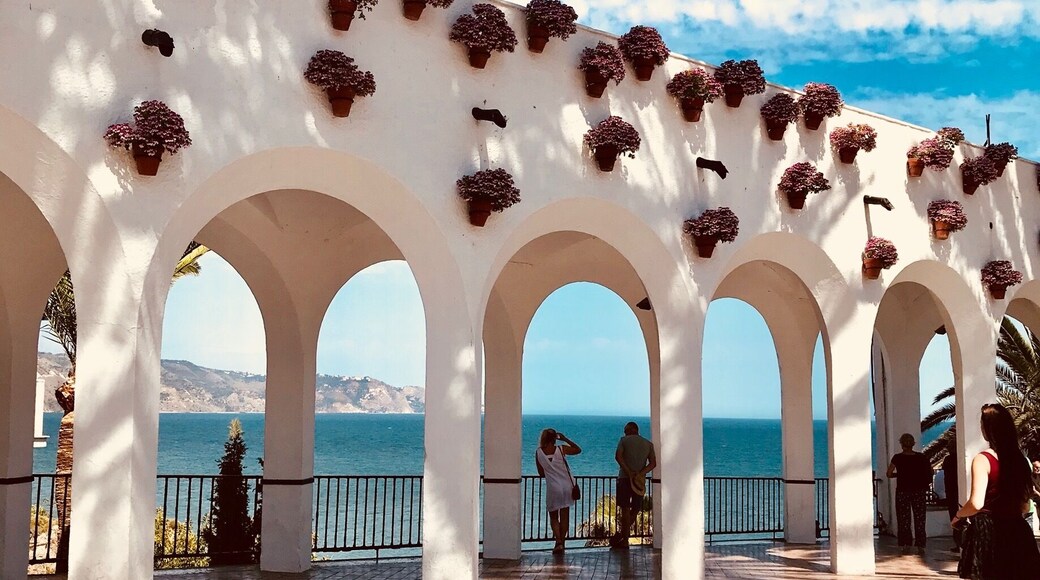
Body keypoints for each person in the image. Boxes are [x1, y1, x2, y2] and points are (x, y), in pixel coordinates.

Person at [953, 404, 1040, 578]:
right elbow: (1024, 507)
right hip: (1018, 532)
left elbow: (976, 503)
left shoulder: (983, 460)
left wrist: (958, 516)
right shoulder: (1021, 461)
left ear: (986, 429)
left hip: (989, 533)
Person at [535, 428, 581, 554]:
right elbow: (578, 449)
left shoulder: (539, 452)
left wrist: (550, 471)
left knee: (554, 516)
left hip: (553, 487)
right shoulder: (561, 449)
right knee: (565, 515)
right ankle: (562, 543)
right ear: (555, 438)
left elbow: (540, 473)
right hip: (567, 486)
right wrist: (565, 439)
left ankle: (558, 542)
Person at [611, 421, 656, 549]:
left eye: (625, 431)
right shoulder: (648, 444)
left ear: (631, 430)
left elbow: (618, 457)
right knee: (635, 509)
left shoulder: (623, 441)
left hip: (625, 479)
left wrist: (628, 471)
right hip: (639, 481)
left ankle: (624, 539)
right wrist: (641, 473)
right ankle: (623, 536)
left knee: (625, 508)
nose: (624, 433)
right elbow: (653, 463)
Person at [886, 433, 931, 554]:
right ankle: (921, 545)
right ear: (913, 444)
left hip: (903, 491)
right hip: (919, 491)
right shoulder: (921, 457)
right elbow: (930, 471)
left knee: (903, 519)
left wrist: (899, 475)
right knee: (920, 518)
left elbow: (889, 473)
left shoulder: (897, 458)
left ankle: (905, 544)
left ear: (902, 444)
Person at [942, 439, 962, 552]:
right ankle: (959, 543)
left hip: (951, 492)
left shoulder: (948, 459)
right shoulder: (957, 459)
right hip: (956, 491)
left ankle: (958, 543)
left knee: (954, 518)